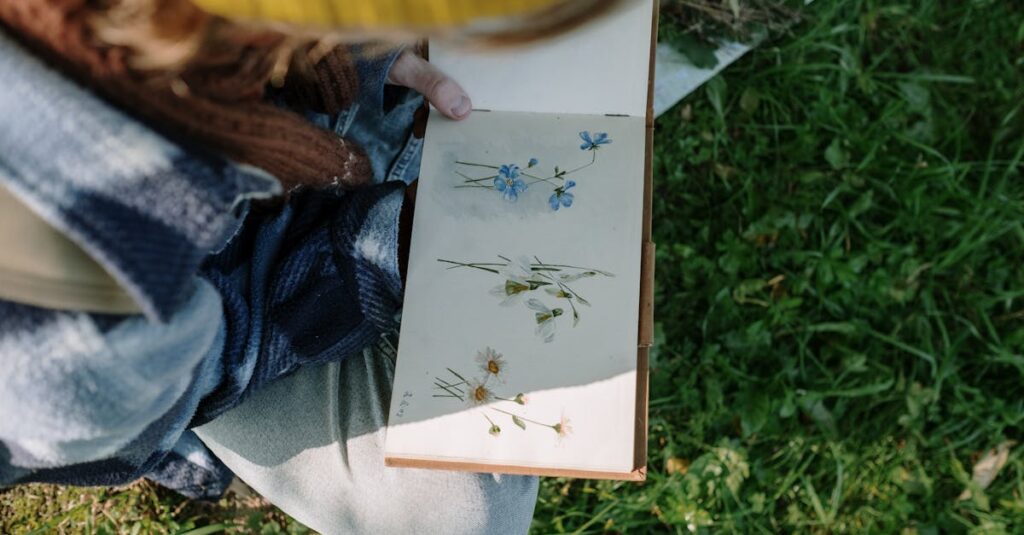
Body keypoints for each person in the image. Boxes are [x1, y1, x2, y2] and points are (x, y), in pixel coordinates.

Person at [0, 0, 621, 532]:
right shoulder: (73, 316)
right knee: (464, 514)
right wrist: (376, 253)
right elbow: (216, 357)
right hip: (192, 347)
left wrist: (355, 56)